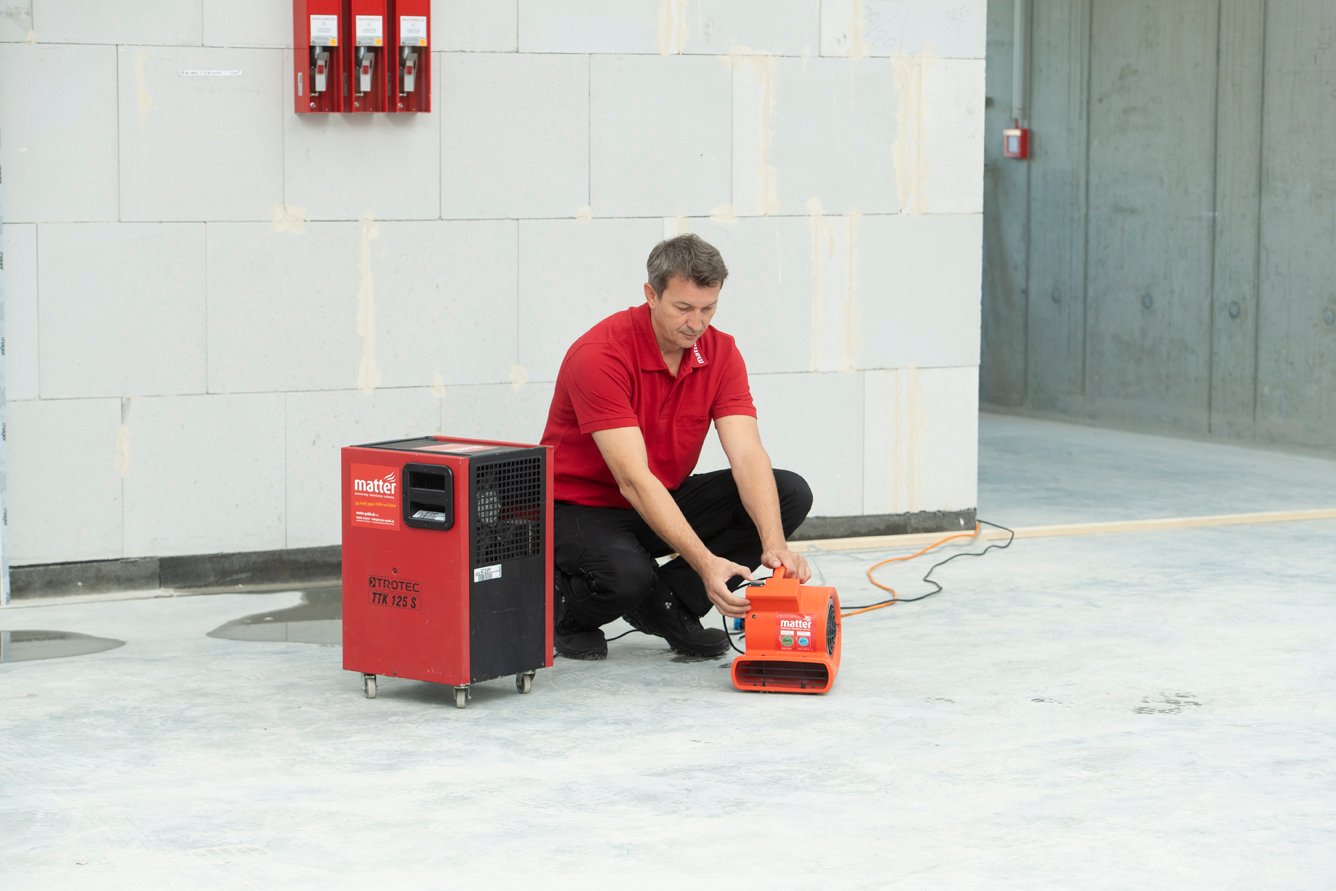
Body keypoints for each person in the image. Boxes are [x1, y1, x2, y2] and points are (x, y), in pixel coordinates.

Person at [540, 233, 813, 660]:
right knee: (626, 575)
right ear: (651, 294)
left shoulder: (720, 352)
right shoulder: (600, 355)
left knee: (789, 492)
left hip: (657, 497)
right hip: (577, 506)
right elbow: (632, 479)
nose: (697, 323)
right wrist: (706, 563)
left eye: (709, 308)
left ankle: (670, 605)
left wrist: (773, 544)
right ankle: (570, 612)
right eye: (683, 308)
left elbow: (746, 454)